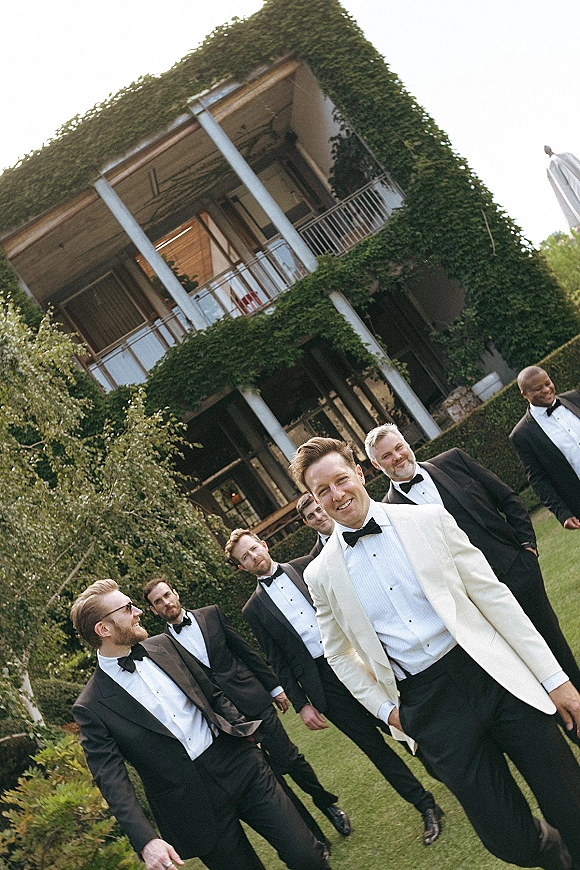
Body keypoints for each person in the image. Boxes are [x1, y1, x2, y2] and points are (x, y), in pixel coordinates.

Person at [290, 436, 580, 870]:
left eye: (340, 479)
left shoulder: (427, 520)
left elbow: (493, 598)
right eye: (322, 491)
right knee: (507, 839)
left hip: (493, 673)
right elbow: (337, 654)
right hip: (428, 706)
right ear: (313, 500)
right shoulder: (320, 574)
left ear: (360, 472)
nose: (336, 495)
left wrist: (556, 680)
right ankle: (554, 853)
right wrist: (388, 711)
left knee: (570, 803)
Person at [71, 579, 331, 870]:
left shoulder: (164, 645)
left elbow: (213, 693)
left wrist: (245, 736)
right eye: (128, 608)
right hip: (191, 806)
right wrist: (146, 840)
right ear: (103, 629)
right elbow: (111, 778)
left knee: (307, 857)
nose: (138, 612)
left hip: (241, 765)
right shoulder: (91, 706)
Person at [226, 529, 444, 847]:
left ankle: (450, 773)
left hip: (357, 661)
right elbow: (278, 661)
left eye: (252, 549)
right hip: (324, 685)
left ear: (263, 544)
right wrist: (302, 704)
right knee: (375, 748)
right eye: (245, 558)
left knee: (404, 721)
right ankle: (425, 805)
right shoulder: (253, 610)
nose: (253, 557)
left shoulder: (307, 566)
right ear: (243, 568)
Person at [366, 423, 580, 722]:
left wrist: (527, 550)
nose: (397, 457)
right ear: (376, 465)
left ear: (407, 443)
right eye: (387, 456)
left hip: (515, 575)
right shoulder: (390, 513)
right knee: (524, 675)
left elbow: (508, 498)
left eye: (399, 447)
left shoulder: (453, 460)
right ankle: (567, 728)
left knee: (556, 653)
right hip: (472, 607)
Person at [143, 578, 349, 840]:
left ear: (175, 592)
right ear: (153, 610)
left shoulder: (212, 614)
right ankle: (313, 837)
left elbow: (245, 651)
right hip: (226, 721)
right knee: (272, 779)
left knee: (290, 760)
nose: (166, 603)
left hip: (254, 701)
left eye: (166, 595)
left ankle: (326, 804)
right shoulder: (163, 646)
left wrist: (274, 688)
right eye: (157, 602)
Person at [510, 366, 580, 529]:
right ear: (524, 394)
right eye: (538, 388)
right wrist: (562, 513)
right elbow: (538, 479)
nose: (546, 389)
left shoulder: (574, 397)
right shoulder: (522, 434)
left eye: (547, 383)